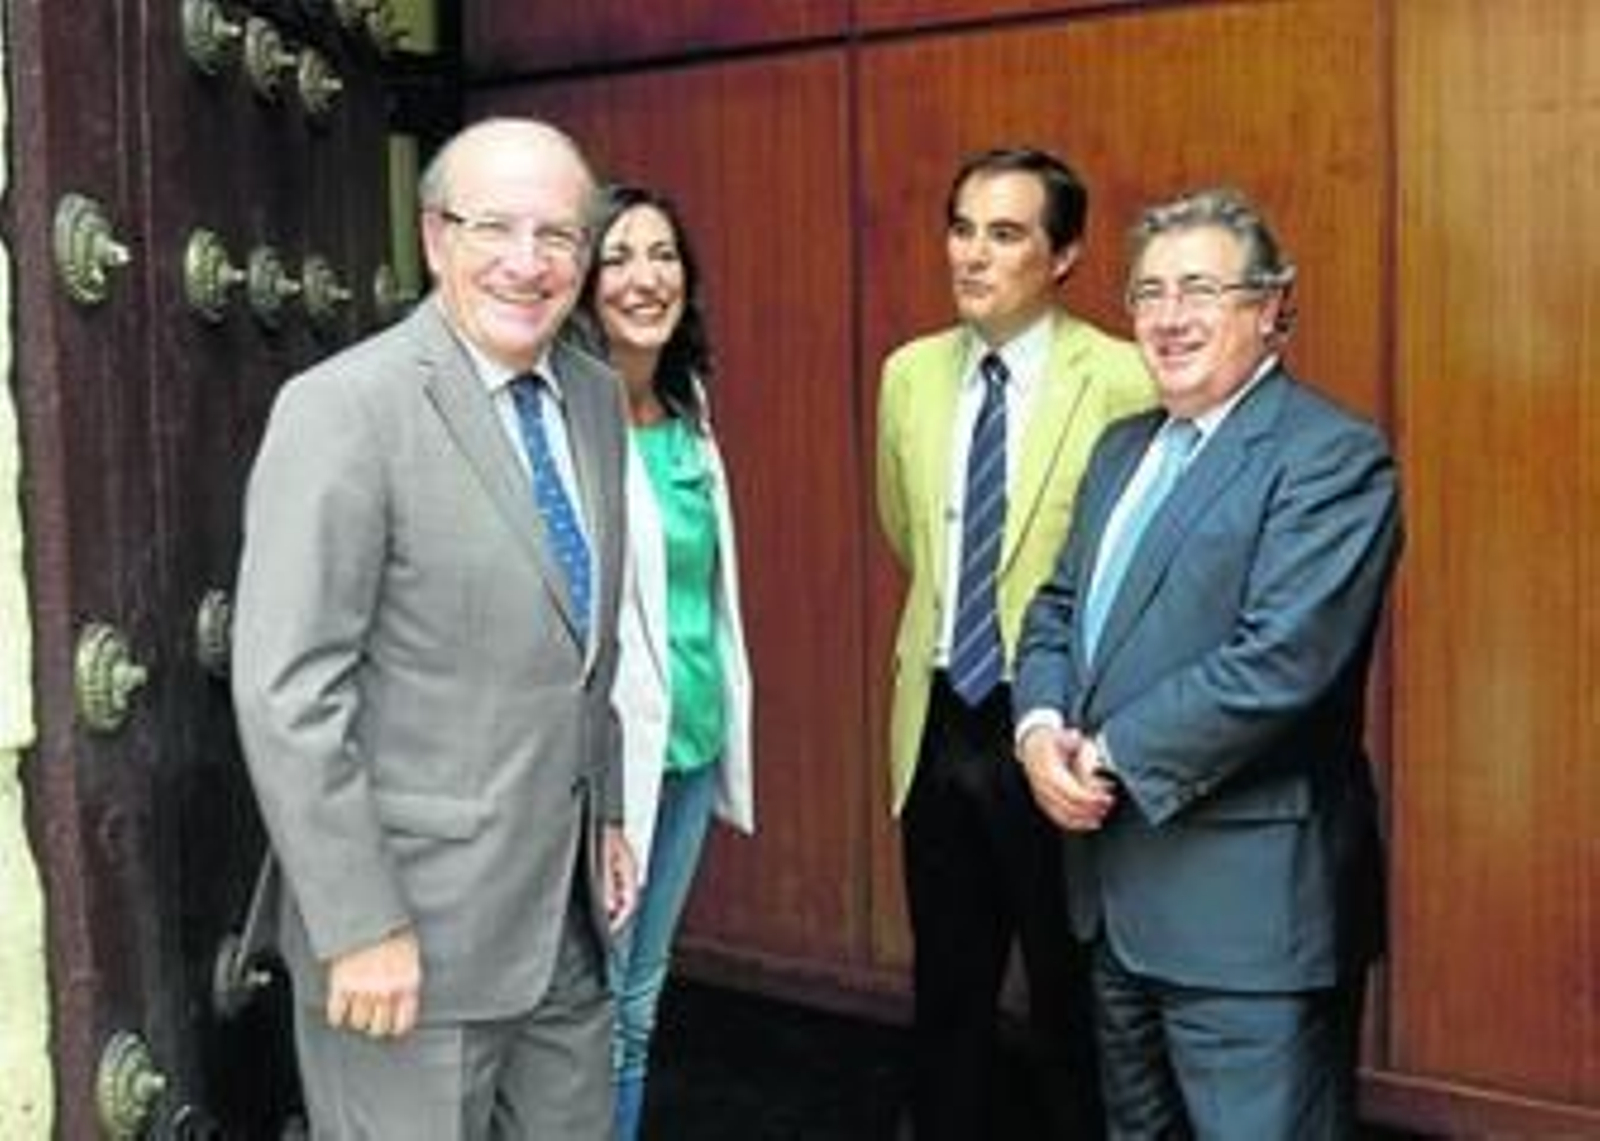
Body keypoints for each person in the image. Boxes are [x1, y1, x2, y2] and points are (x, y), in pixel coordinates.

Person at [231, 117, 638, 1140]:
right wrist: (359, 921)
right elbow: (288, 691)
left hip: (565, 925)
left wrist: (610, 808)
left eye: (558, 236)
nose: (526, 261)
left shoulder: (590, 394)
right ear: (433, 236)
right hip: (405, 944)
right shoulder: (343, 409)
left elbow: (582, 643)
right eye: (493, 226)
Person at [1012, 187, 1402, 1139]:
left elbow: (1278, 664)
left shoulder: (1330, 457)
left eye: (1199, 289)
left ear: (1270, 306)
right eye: (1148, 292)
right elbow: (1057, 608)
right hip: (1114, 901)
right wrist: (1036, 730)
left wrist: (1097, 756)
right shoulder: (1120, 450)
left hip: (1249, 925)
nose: (1169, 316)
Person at [875, 145, 1155, 1140]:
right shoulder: (907, 373)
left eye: (1005, 233)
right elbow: (907, 534)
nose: (973, 255)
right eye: (961, 228)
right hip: (940, 713)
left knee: (1069, 998)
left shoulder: (1124, 377)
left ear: (1065, 253)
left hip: (1059, 728)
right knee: (946, 992)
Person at [574, 183, 755, 1141]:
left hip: (687, 746)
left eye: (664, 254)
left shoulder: (689, 406)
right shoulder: (562, 417)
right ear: (583, 282)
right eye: (620, 257)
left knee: (639, 997)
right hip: (607, 767)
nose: (646, 277)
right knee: (594, 1005)